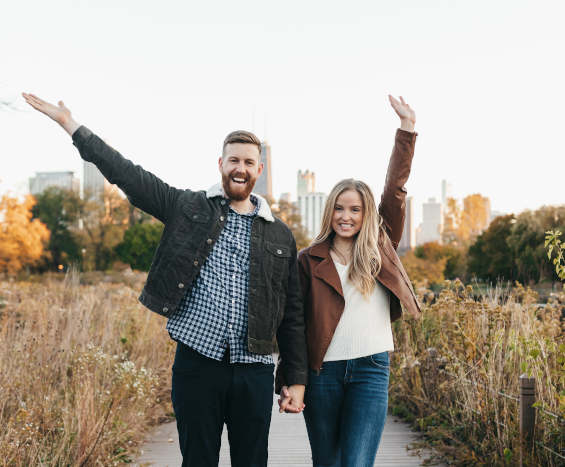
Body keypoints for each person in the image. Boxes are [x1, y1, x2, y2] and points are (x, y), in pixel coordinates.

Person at [23, 92, 308, 467]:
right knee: (197, 460)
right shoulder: (187, 207)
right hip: (197, 364)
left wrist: (296, 379)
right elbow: (127, 174)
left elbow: (291, 312)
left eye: (249, 162)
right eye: (234, 160)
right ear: (221, 163)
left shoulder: (280, 235)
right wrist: (71, 126)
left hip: (253, 367)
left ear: (259, 170)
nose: (241, 168)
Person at [276, 95, 422, 467]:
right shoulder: (308, 260)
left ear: (365, 213)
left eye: (355, 209)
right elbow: (293, 323)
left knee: (356, 464)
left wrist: (406, 130)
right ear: (330, 212)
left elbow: (395, 188)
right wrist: (290, 379)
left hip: (371, 368)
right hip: (322, 372)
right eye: (340, 208)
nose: (346, 216)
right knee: (328, 462)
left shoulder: (380, 246)